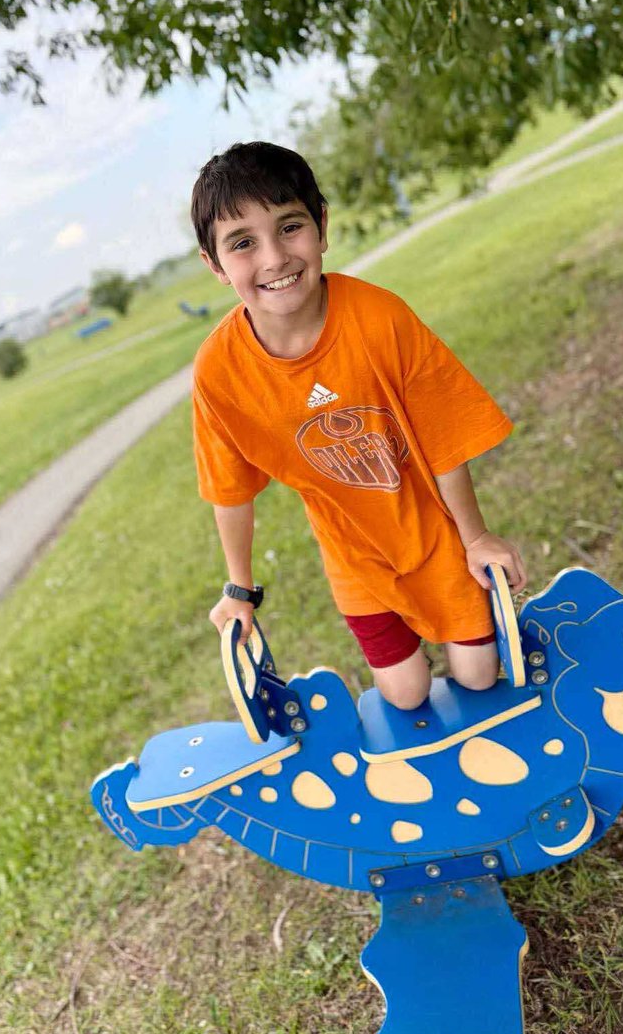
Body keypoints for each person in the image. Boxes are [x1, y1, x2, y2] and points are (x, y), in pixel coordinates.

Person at [190, 141, 527, 711]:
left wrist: (475, 538)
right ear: (216, 265)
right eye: (243, 243)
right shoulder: (219, 371)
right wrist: (239, 589)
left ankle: (504, 632)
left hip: (433, 536)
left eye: (289, 226)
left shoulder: (380, 318)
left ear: (321, 226)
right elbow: (230, 490)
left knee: (477, 678)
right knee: (404, 693)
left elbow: (445, 437)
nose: (273, 258)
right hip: (352, 555)